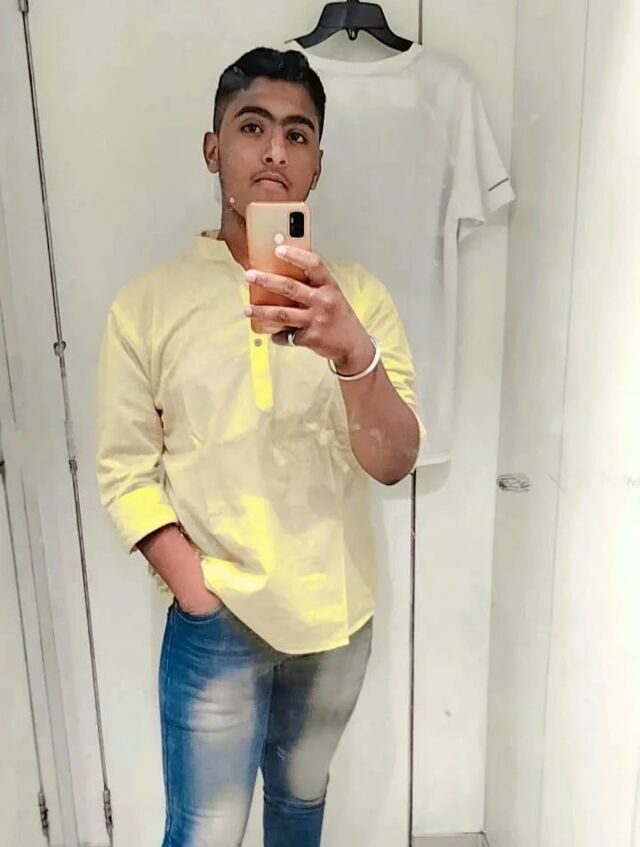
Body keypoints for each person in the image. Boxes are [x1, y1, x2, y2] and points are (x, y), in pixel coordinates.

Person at [95, 46, 426, 847]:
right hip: (218, 621)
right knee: (204, 831)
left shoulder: (359, 298)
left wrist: (353, 352)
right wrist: (196, 590)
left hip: (336, 618)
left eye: (297, 134)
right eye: (253, 127)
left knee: (301, 807)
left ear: (317, 165)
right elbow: (124, 471)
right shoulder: (147, 305)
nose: (276, 150)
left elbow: (393, 461)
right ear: (214, 150)